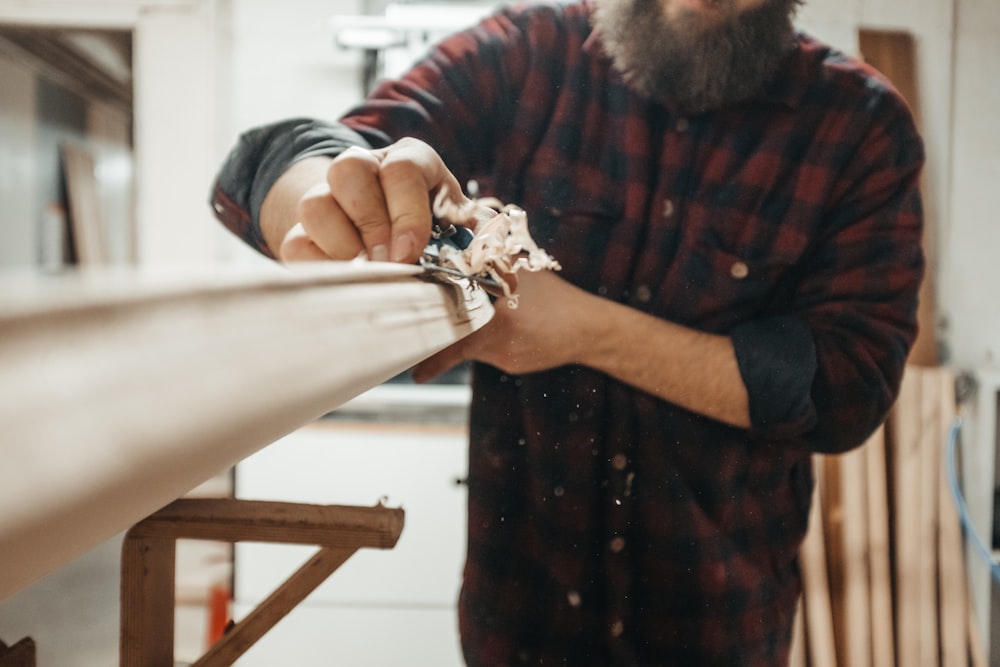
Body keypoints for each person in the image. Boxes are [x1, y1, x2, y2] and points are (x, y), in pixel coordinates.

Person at [210, 0, 925, 663]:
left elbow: (846, 389)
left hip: (722, 626)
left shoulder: (860, 124)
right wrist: (335, 194)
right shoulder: (528, 54)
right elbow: (284, 154)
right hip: (519, 618)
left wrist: (584, 330)